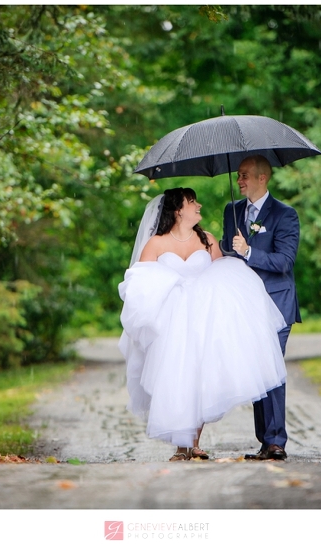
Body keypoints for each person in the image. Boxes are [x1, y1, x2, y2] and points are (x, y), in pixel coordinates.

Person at [118, 187, 288, 461]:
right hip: (171, 320)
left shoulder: (207, 240)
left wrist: (241, 252)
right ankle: (180, 445)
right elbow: (140, 283)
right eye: (192, 201)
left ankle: (193, 442)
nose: (198, 205)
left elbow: (221, 274)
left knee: (199, 376)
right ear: (178, 210)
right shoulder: (156, 244)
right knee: (176, 376)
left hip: (202, 318)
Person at [221, 154, 301, 461]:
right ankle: (264, 441)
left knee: (272, 367)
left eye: (244, 175)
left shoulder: (285, 214)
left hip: (277, 302)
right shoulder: (232, 211)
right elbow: (228, 255)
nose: (239, 180)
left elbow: (284, 262)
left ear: (262, 178)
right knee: (257, 369)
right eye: (238, 176)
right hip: (246, 304)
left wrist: (250, 251)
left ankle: (276, 440)